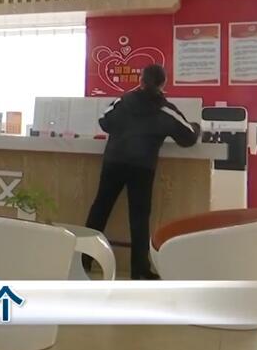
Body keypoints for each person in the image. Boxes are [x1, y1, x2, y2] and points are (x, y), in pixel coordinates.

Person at [85, 64, 199, 280]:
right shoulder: (165, 110)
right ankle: (139, 270)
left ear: (141, 80)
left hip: (114, 162)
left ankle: (85, 259)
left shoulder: (123, 101)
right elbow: (188, 137)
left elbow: (104, 121)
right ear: (163, 84)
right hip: (142, 168)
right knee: (139, 217)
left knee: (100, 208)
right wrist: (196, 127)